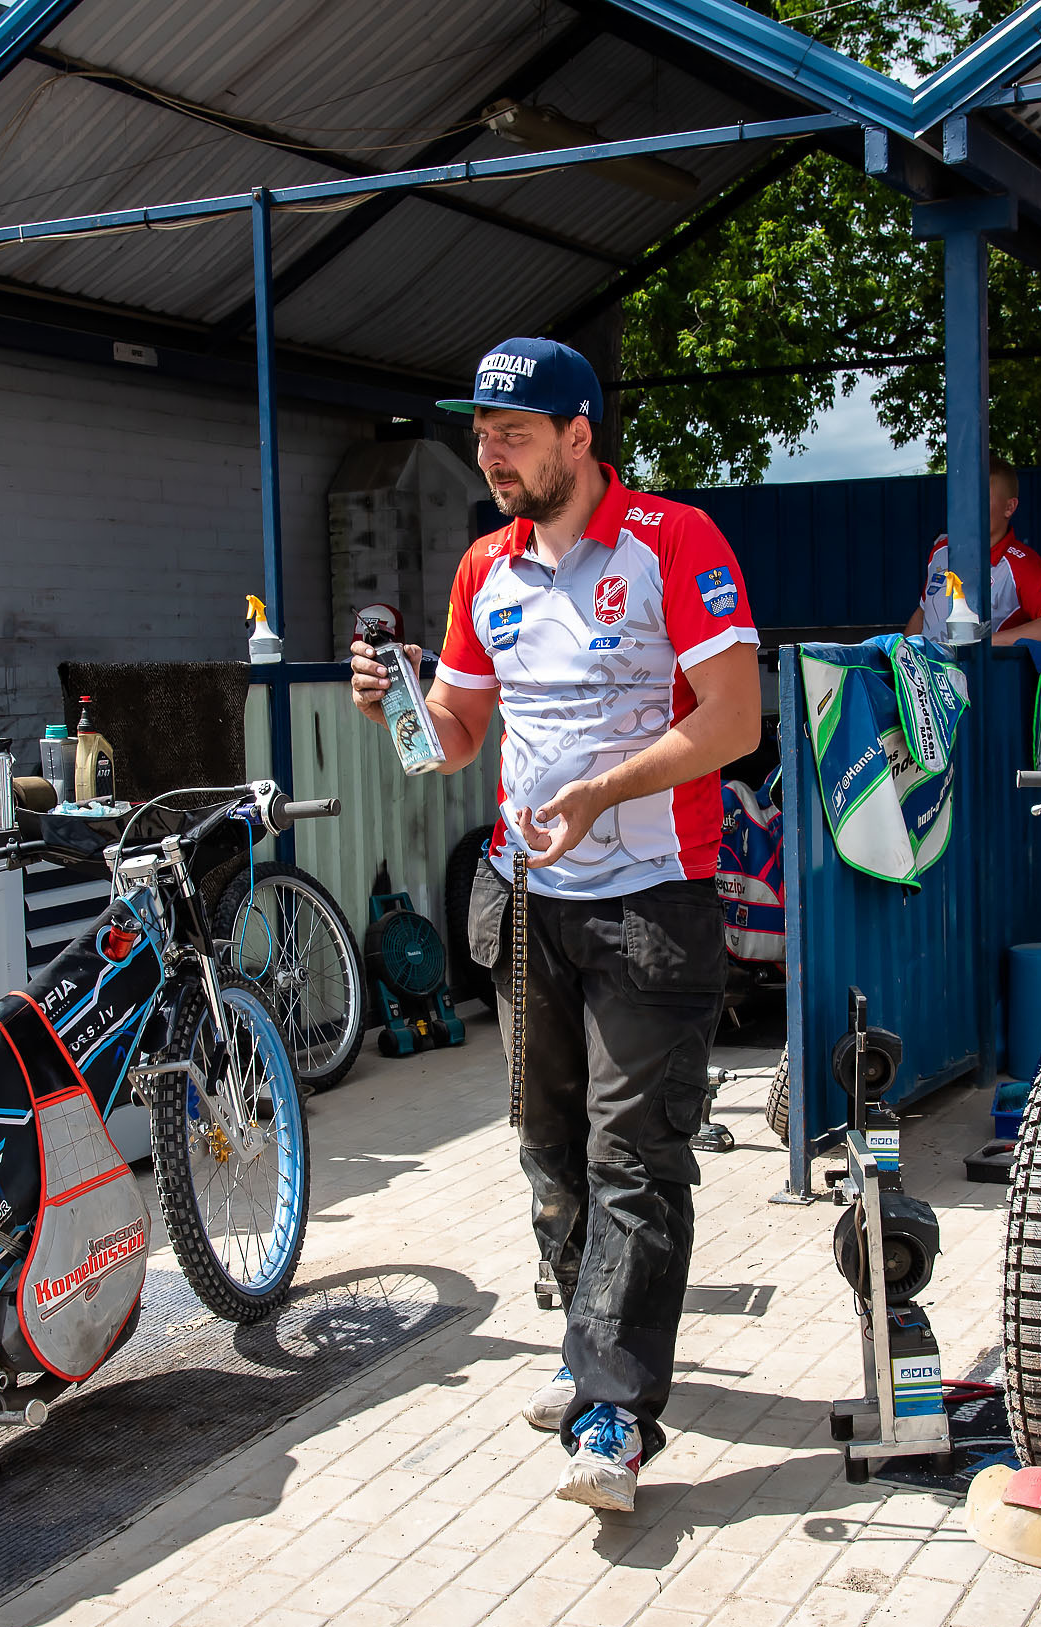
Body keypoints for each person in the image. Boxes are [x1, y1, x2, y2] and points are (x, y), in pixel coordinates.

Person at [349, 337, 759, 1512]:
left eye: (513, 433)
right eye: (481, 432)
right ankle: (590, 1349)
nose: (490, 453)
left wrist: (602, 790)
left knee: (636, 1155)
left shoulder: (675, 541)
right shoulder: (484, 566)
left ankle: (614, 1410)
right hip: (528, 900)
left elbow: (734, 720)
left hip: (651, 899)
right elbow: (453, 740)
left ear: (579, 436)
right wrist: (395, 707)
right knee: (549, 1144)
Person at [903, 456, 1041, 647]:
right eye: (964, 498)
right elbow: (924, 612)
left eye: (980, 499)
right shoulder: (941, 550)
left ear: (1009, 507)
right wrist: (899, 656)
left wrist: (983, 643)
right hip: (928, 666)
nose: (969, 508)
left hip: (975, 667)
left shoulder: (1019, 564)